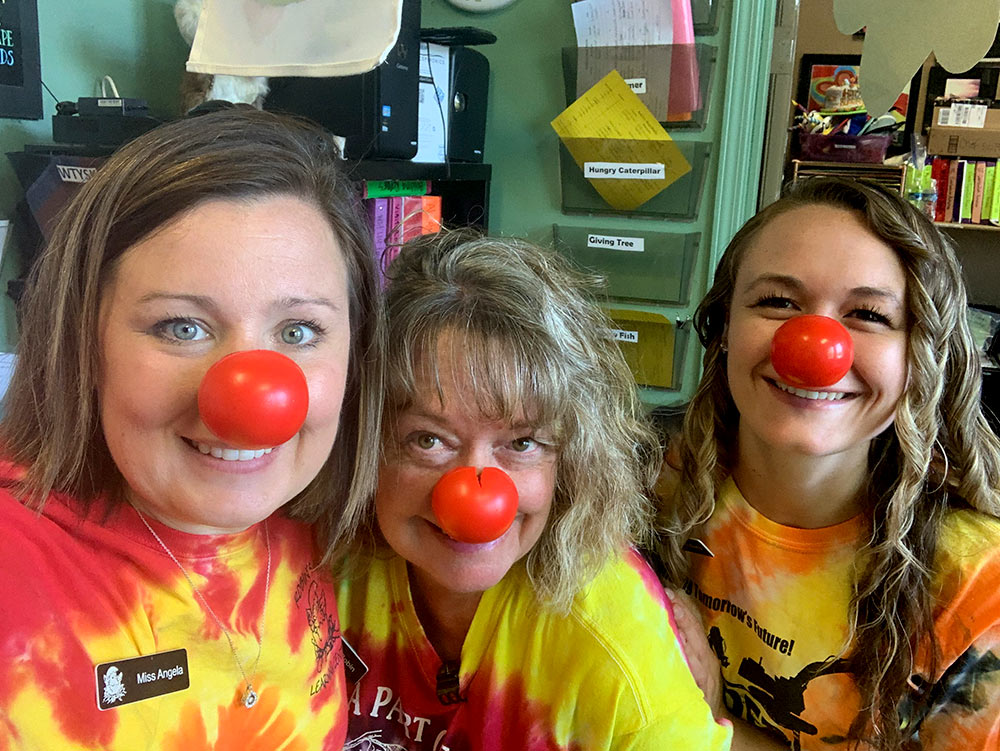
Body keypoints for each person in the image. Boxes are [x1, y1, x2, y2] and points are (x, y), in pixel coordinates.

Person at [0, 108, 383, 749]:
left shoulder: (325, 525)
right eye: (183, 327)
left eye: (298, 332)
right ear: (85, 343)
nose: (250, 398)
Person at [334, 230, 733, 750]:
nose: (474, 497)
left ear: (570, 461)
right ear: (366, 443)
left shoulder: (616, 643)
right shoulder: (319, 571)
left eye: (521, 443)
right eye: (427, 440)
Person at [656, 176, 1000, 750]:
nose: (814, 344)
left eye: (868, 314)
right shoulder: (645, 496)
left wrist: (713, 724)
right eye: (777, 302)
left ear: (919, 359)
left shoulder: (975, 588)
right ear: (722, 331)